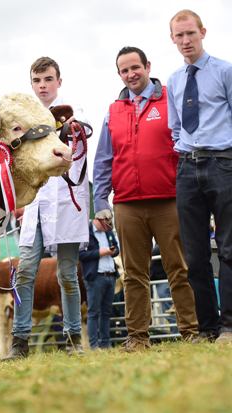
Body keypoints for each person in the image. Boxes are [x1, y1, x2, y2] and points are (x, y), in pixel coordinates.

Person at [94, 46, 199, 351]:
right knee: (133, 274)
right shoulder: (113, 111)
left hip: (169, 199)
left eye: (135, 67)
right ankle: (137, 337)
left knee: (178, 268)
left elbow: (186, 144)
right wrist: (100, 202)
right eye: (124, 70)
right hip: (127, 203)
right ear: (119, 74)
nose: (131, 74)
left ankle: (190, 331)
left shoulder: (171, 99)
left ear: (147, 66)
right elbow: (103, 160)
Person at [7, 56, 89, 358]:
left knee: (67, 274)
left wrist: (71, 129)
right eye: (37, 81)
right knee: (25, 270)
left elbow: (79, 147)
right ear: (32, 84)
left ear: (59, 81)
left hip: (66, 203)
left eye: (48, 80)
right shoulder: (25, 119)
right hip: (35, 205)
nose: (43, 86)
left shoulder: (74, 113)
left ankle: (73, 338)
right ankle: (20, 341)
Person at [167, 9, 232, 343]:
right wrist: (186, 152)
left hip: (223, 163)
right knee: (193, 254)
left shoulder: (225, 71)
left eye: (190, 33)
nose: (185, 41)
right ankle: (206, 329)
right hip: (187, 167)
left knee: (228, 247)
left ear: (202, 32)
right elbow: (175, 127)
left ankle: (229, 327)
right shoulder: (174, 81)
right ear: (172, 39)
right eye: (179, 35)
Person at [79, 217, 119, 349]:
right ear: (98, 219)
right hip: (95, 277)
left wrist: (113, 251)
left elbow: (117, 248)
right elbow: (81, 255)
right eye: (106, 222)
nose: (108, 225)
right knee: (94, 312)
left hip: (110, 275)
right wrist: (100, 253)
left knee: (106, 312)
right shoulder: (86, 232)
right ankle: (94, 346)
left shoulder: (108, 231)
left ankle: (105, 344)